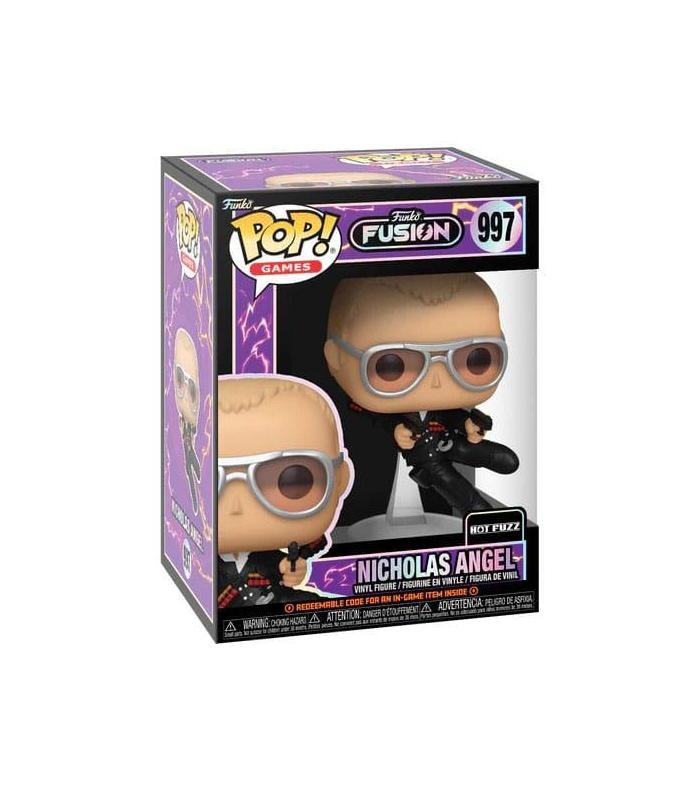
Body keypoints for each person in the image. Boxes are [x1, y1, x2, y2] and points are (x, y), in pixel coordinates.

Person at [324, 273, 518, 516]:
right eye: (392, 365)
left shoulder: (441, 404)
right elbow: (375, 417)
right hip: (427, 459)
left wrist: (466, 423)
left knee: (505, 460)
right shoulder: (377, 415)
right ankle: (480, 515)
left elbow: (448, 414)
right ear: (336, 357)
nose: (436, 381)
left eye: (475, 359)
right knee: (458, 491)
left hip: (451, 441)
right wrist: (396, 429)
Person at [217, 375, 352, 608]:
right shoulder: (204, 563)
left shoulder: (266, 556)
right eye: (212, 481)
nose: (236, 507)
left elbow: (288, 564)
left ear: (340, 479)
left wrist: (293, 568)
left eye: (292, 481)